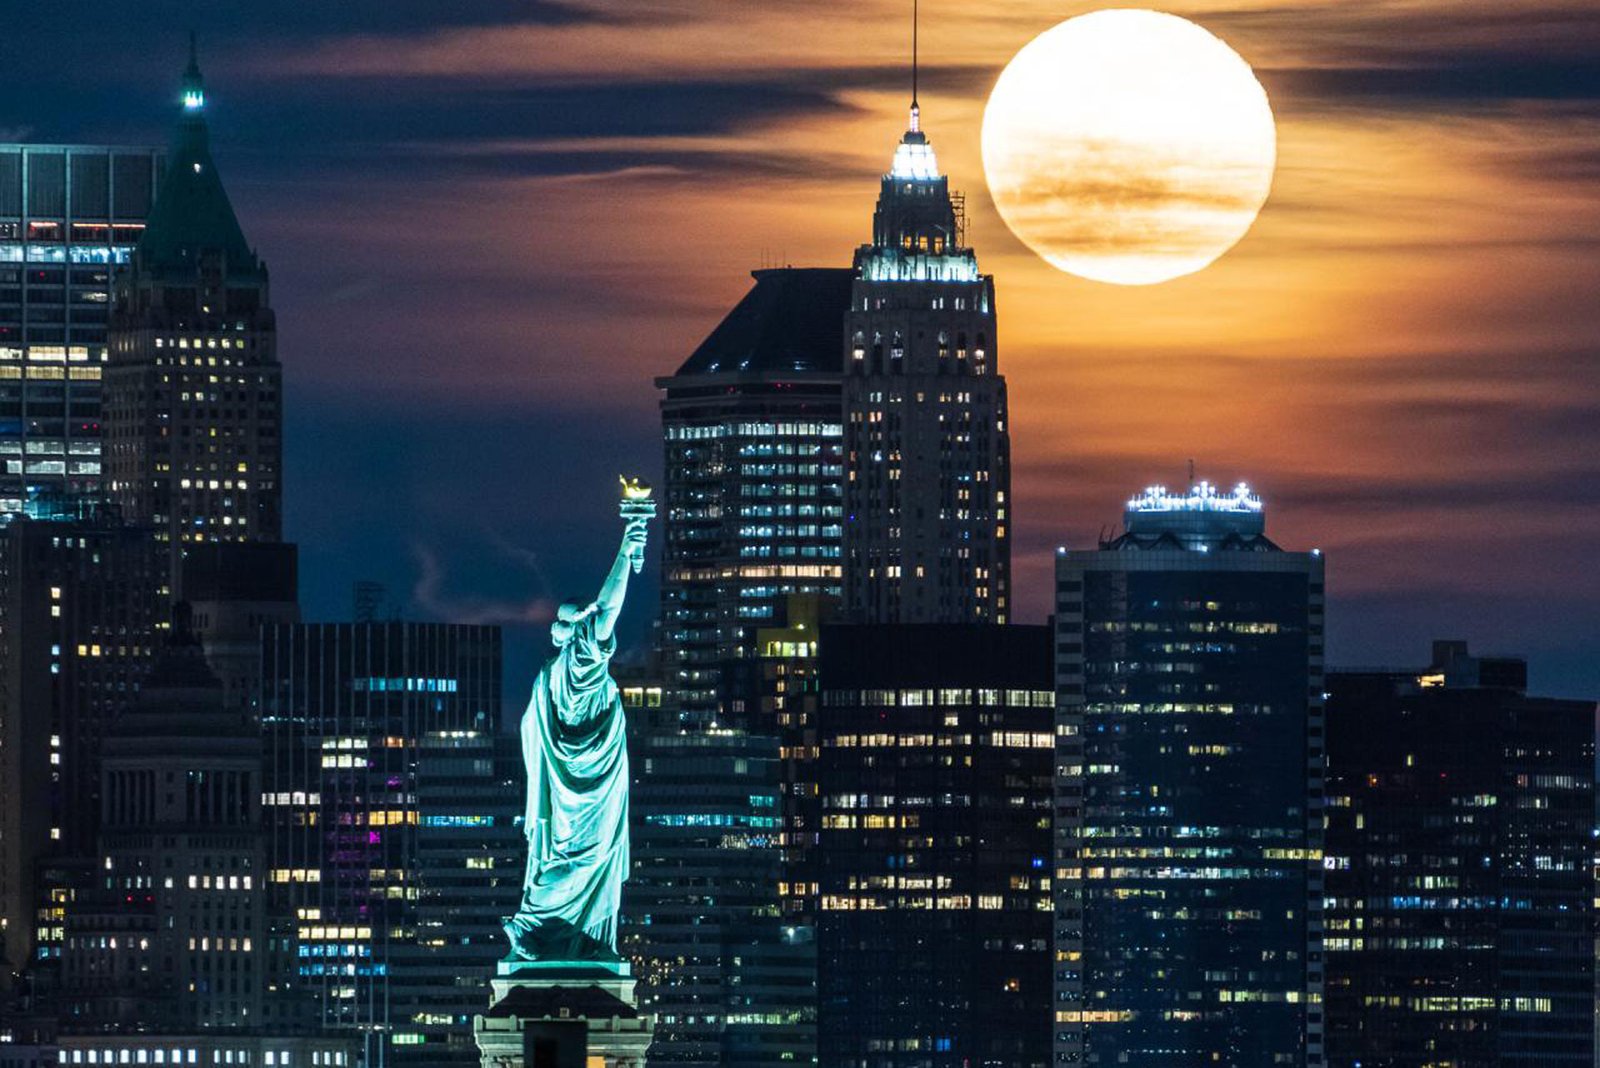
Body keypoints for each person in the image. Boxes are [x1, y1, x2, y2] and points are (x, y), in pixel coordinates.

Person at [503, 516, 648, 962]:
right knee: (568, 859)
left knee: (579, 858)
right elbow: (607, 609)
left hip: (591, 782)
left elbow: (606, 609)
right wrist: (627, 547)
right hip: (575, 785)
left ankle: (547, 930)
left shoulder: (568, 667)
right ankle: (536, 925)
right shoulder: (564, 670)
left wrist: (628, 547)